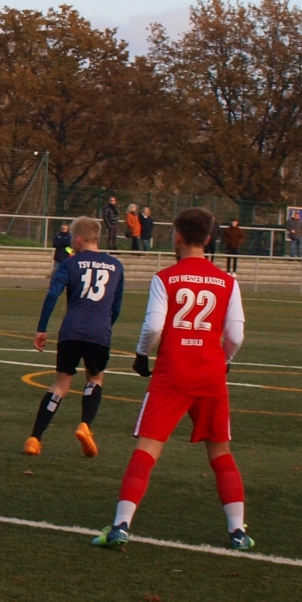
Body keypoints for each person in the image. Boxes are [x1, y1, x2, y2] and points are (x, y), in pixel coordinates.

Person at [91, 207, 253, 552]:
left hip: (172, 372)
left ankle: (121, 525)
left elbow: (153, 327)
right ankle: (238, 530)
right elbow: (236, 334)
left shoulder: (165, 278)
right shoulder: (228, 281)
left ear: (177, 236)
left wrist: (141, 354)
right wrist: (224, 360)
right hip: (210, 373)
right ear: (208, 239)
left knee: (147, 448)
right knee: (220, 451)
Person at [27, 216, 123, 458]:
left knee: (60, 384)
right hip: (99, 331)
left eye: (72, 239)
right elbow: (116, 306)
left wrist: (42, 328)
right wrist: (105, 325)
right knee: (95, 379)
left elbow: (53, 295)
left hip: (71, 330)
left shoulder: (70, 263)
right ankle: (85, 425)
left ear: (78, 238)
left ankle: (35, 438)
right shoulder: (116, 266)